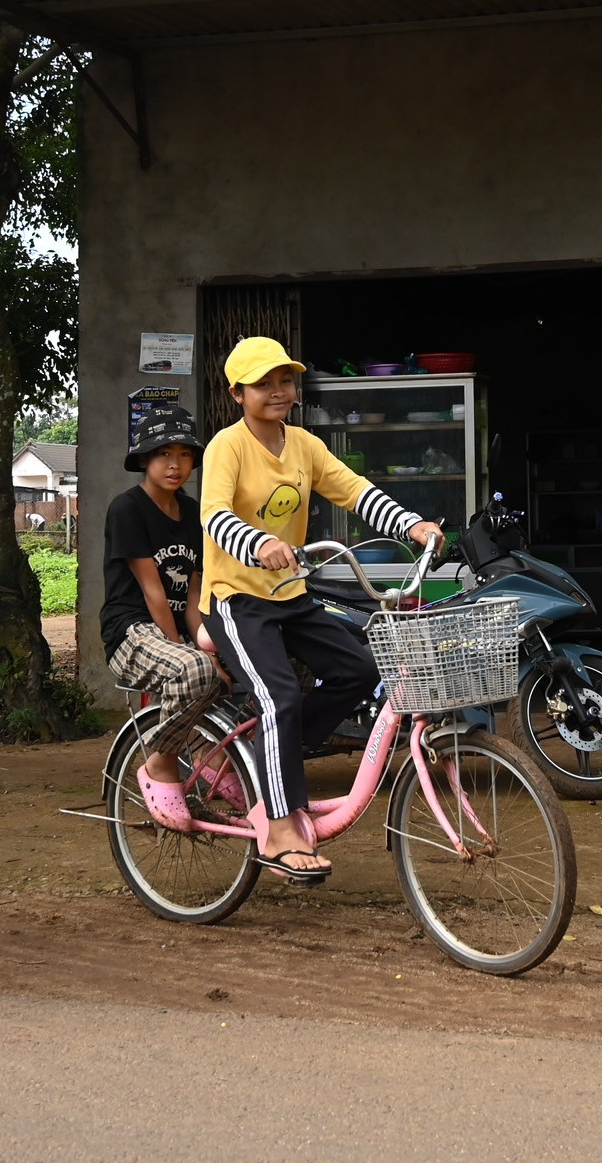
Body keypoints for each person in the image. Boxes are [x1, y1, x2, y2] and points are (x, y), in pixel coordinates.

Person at [195, 337, 440, 883]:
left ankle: (268, 760)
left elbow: (354, 490)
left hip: (290, 595)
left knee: (359, 670)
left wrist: (411, 524)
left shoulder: (303, 445)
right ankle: (279, 828)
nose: (277, 391)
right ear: (237, 393)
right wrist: (257, 544)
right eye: (263, 383)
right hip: (237, 600)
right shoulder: (226, 447)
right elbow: (212, 515)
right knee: (279, 693)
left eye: (284, 380)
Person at [98, 405, 222, 810]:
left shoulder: (193, 514)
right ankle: (160, 764)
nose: (175, 464)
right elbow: (153, 593)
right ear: (145, 460)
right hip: (131, 632)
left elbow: (191, 595)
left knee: (249, 662)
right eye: (164, 454)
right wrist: (189, 652)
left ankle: (214, 759)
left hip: (174, 630)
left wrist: (204, 642)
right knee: (195, 670)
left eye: (184, 454)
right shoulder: (127, 508)